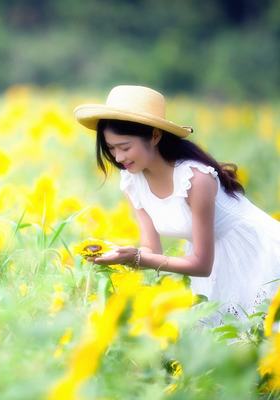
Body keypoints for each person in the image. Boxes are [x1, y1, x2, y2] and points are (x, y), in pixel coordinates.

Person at [74, 85, 280, 324]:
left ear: (154, 135)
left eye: (125, 147)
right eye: (111, 148)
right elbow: (152, 250)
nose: (118, 158)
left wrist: (137, 258)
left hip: (256, 254)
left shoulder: (195, 179)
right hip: (211, 263)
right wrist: (122, 254)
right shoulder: (132, 179)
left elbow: (201, 264)